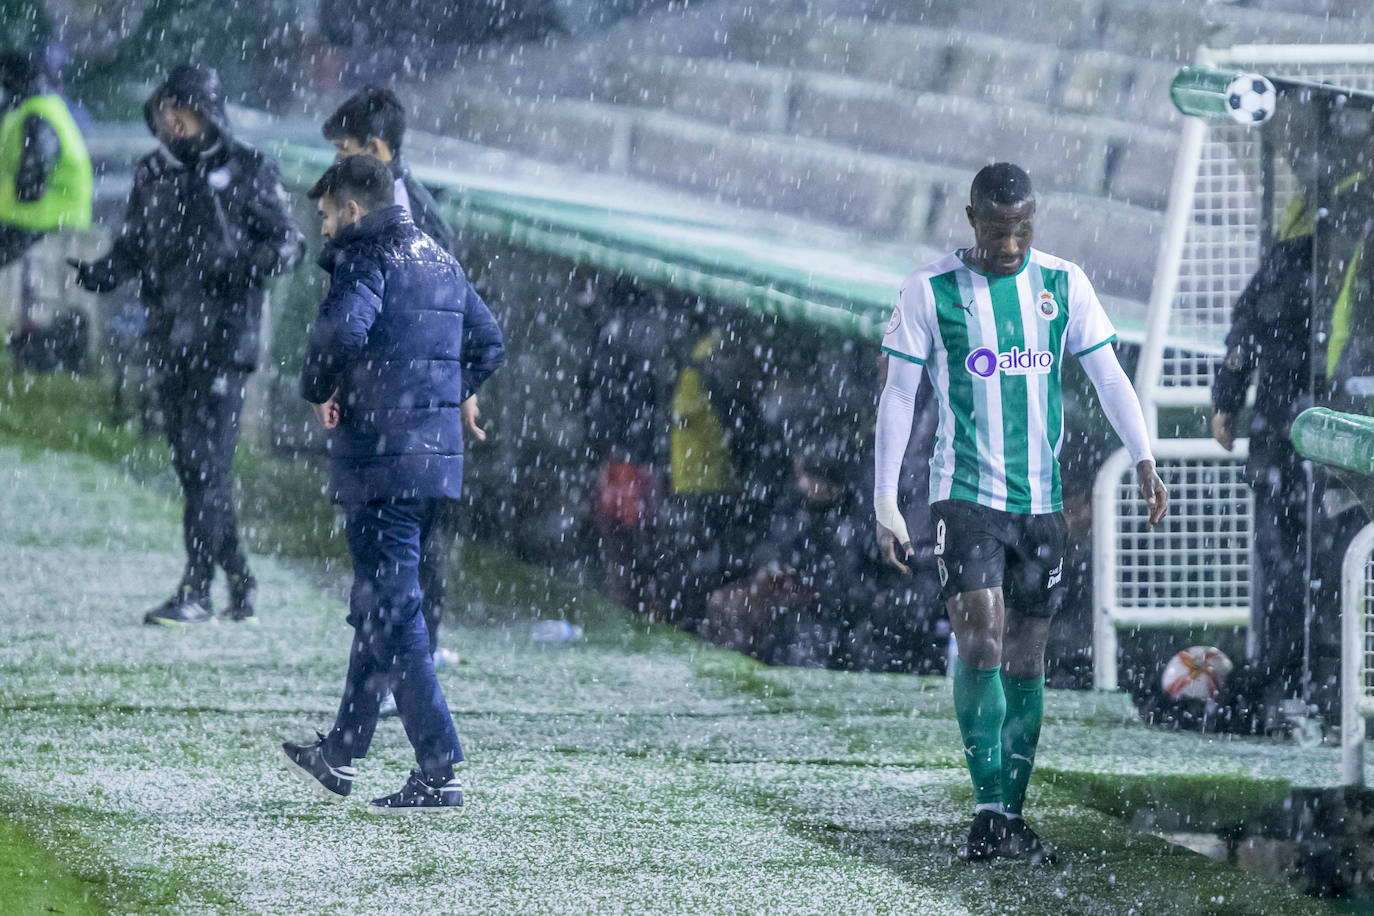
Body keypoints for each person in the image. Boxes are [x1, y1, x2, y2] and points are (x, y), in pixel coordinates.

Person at [873, 163, 1167, 863]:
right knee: (981, 641)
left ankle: (1009, 812)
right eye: (999, 229)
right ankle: (985, 806)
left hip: (1041, 504)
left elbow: (1107, 374)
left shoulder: (1063, 285)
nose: (1011, 244)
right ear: (972, 219)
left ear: (1036, 220)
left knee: (1028, 656)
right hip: (965, 496)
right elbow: (898, 397)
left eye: (1023, 229)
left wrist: (1145, 454)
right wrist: (887, 499)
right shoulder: (929, 291)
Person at [281, 156, 504, 813]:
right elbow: (489, 345)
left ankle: (440, 767)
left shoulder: (365, 257)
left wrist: (320, 386)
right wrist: (443, 398)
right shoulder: (439, 257)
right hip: (431, 466)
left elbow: (344, 331)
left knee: (395, 612)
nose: (322, 229)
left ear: (352, 210)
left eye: (325, 216)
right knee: (381, 605)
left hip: (382, 462)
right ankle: (340, 755)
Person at [71, 63, 302, 626]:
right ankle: (240, 581)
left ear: (206, 110)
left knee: (208, 465)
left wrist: (247, 265)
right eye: (165, 110)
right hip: (169, 337)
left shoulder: (249, 169)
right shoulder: (152, 171)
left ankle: (197, 588)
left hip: (226, 340)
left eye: (183, 108)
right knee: (193, 468)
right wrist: (104, 272)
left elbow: (288, 243)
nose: (172, 120)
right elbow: (133, 245)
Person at [323, 86, 477, 676]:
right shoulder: (364, 208)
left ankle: (413, 657)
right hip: (382, 395)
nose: (338, 162)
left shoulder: (412, 216)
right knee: (387, 539)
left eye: (346, 149)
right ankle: (388, 665)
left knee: (408, 536)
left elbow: (458, 310)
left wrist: (457, 385)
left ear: (378, 149)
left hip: (406, 400)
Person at [0, 48, 91, 270]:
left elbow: (30, 188)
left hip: (44, 219)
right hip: (44, 217)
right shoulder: (36, 109)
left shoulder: (36, 118)